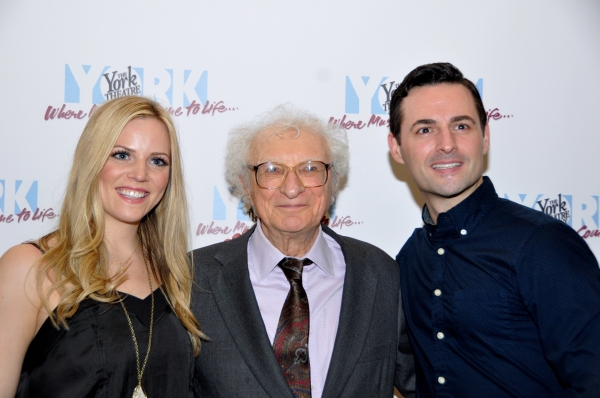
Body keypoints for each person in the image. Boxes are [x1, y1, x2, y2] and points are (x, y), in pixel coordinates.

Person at [387, 62, 600, 397]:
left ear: (484, 137)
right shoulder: (409, 260)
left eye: (461, 126)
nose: (446, 144)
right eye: (425, 130)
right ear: (397, 148)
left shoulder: (543, 245)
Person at [191, 105, 415, 398]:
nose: (293, 187)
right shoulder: (193, 280)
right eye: (272, 170)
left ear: (332, 181)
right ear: (246, 184)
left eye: (310, 168)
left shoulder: (381, 274)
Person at [0, 95, 204, 397]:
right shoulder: (30, 266)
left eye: (157, 161)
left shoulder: (177, 273)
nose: (140, 174)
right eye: (122, 155)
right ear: (93, 160)